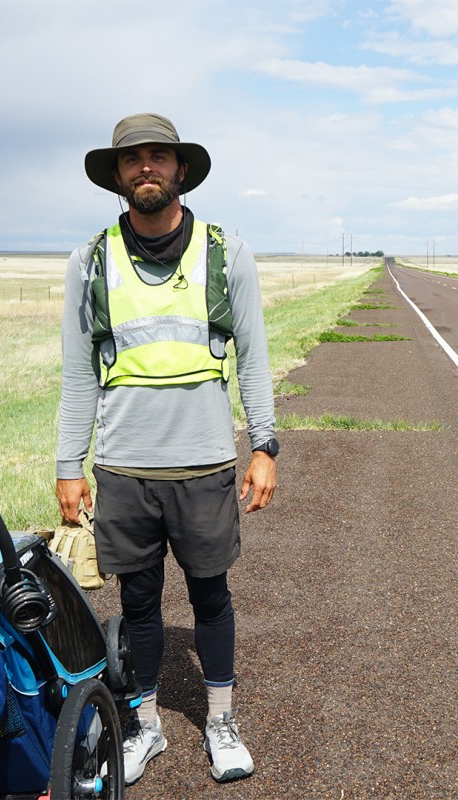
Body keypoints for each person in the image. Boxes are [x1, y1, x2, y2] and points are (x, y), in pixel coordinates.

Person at [56, 113, 278, 785]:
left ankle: (220, 722)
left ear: (181, 169)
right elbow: (76, 372)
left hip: (206, 465)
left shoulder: (225, 253)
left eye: (158, 156)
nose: (145, 167)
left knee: (212, 598)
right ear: (117, 175)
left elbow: (255, 361)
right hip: (124, 470)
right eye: (133, 159)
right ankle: (145, 726)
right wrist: (69, 466)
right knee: (139, 605)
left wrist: (264, 446)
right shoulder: (89, 260)